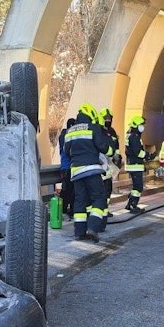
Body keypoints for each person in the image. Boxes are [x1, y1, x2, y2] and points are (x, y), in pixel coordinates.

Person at [64, 103, 114, 242]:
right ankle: (93, 227)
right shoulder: (94, 128)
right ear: (91, 115)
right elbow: (104, 147)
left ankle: (79, 233)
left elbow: (67, 152)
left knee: (80, 201)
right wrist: (112, 152)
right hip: (91, 169)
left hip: (76, 171)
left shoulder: (70, 131)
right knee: (99, 198)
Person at [123, 115, 151, 214]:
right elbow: (137, 152)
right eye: (141, 125)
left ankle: (130, 203)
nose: (143, 127)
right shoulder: (134, 137)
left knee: (136, 186)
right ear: (136, 125)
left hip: (133, 164)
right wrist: (147, 155)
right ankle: (133, 205)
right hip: (135, 165)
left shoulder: (131, 135)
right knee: (138, 187)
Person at [98, 108, 121, 218]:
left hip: (110, 164)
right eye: (105, 118)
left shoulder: (112, 131)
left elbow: (116, 146)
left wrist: (117, 157)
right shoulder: (98, 130)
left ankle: (105, 210)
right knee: (100, 189)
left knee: (108, 188)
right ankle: (100, 210)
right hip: (100, 164)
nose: (108, 120)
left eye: (109, 118)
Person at [57, 118, 76, 218]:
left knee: (69, 190)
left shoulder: (63, 135)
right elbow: (68, 151)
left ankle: (66, 210)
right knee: (68, 190)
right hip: (68, 166)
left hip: (67, 166)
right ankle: (64, 210)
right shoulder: (67, 135)